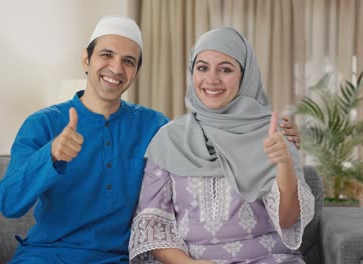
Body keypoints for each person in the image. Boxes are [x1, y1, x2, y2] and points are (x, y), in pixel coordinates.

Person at [0, 16, 302, 263]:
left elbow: (205, 133)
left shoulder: (154, 126)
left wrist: (271, 131)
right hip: (48, 254)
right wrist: (50, 155)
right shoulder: (43, 124)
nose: (116, 68)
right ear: (86, 60)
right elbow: (8, 203)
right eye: (106, 55)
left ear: (136, 72)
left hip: (116, 257)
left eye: (128, 61)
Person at [129, 27, 314, 264]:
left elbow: (288, 221)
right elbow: (152, 224)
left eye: (225, 69)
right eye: (202, 67)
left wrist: (285, 164)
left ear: (245, 76)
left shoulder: (273, 134)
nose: (211, 79)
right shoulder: (169, 139)